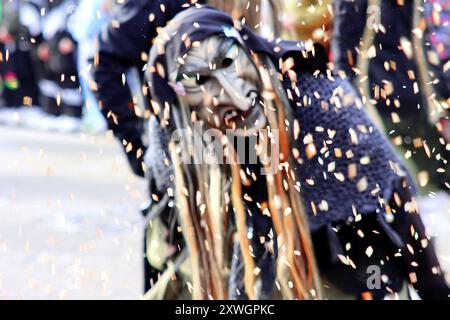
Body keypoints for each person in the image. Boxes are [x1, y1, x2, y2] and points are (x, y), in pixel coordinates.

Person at [143, 6, 450, 300]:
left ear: (250, 52)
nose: (233, 95)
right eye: (198, 80)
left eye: (227, 62)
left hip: (345, 262)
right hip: (231, 264)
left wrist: (434, 289)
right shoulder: (173, 133)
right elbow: (161, 221)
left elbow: (394, 198)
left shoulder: (320, 102)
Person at [331, 0, 449, 194]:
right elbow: (343, 52)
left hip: (421, 103)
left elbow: (426, 43)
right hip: (378, 107)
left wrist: (442, 90)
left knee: (438, 179)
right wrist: (350, 106)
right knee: (401, 186)